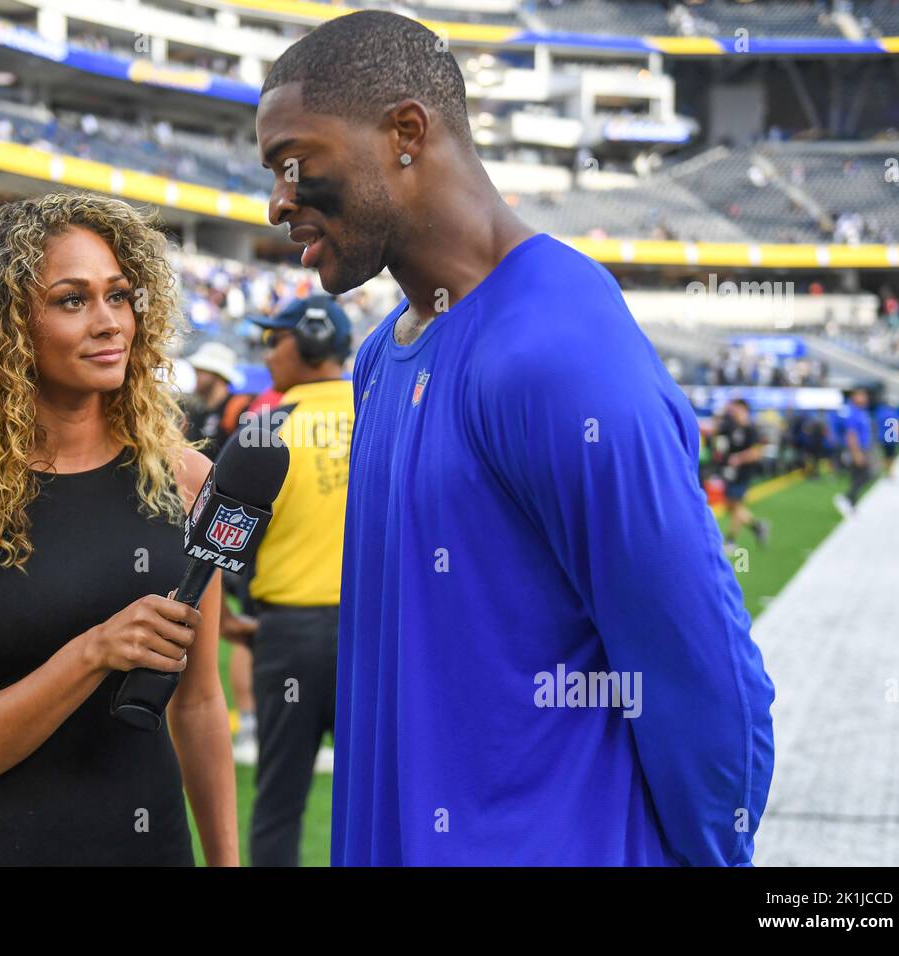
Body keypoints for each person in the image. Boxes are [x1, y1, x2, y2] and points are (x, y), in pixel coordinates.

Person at [256, 10, 774, 865]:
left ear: (406, 133)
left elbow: (702, 678)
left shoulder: (555, 349)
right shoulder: (382, 357)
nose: (279, 198)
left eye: (295, 160)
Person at [0, 192, 237, 866]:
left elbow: (199, 704)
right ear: (7, 325)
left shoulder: (190, 478)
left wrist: (225, 861)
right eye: (72, 300)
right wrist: (96, 650)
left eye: (119, 295)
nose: (110, 323)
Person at [243, 294, 353, 866]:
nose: (267, 353)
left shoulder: (268, 431)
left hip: (287, 639)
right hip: (375, 637)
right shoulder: (386, 415)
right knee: (384, 797)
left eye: (274, 339)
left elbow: (227, 543)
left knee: (279, 802)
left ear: (306, 343)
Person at [713, 398, 770, 552]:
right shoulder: (730, 426)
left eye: (736, 409)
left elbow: (757, 453)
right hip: (730, 472)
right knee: (730, 506)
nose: (733, 412)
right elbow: (716, 432)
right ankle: (757, 526)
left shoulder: (751, 429)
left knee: (736, 505)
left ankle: (731, 540)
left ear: (744, 409)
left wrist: (739, 458)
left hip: (743, 473)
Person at [182, 342, 249, 460]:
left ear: (217, 374)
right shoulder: (198, 412)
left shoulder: (238, 409)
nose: (195, 375)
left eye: (201, 370)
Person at [834, 387, 873, 517]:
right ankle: (847, 497)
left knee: (856, 476)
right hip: (857, 449)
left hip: (862, 447)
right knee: (867, 474)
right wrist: (856, 453)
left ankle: (852, 504)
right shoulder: (852, 412)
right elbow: (851, 434)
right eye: (862, 395)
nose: (865, 398)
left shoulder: (861, 411)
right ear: (854, 397)